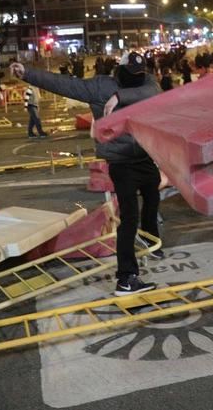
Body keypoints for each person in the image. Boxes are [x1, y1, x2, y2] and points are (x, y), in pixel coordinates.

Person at [10, 52, 163, 296]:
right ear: (119, 70)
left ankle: (150, 237)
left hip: (144, 155)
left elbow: (154, 91)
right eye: (131, 75)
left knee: (153, 192)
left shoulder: (145, 83)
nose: (137, 78)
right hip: (121, 160)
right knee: (129, 216)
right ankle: (126, 278)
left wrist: (119, 97)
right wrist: (28, 73)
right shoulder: (99, 87)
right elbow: (64, 84)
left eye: (139, 74)